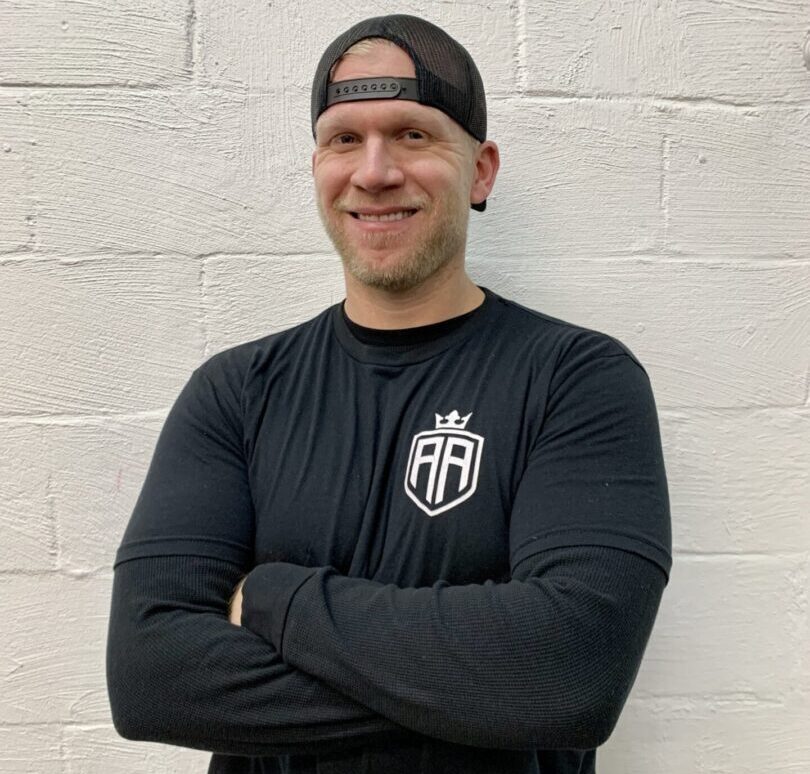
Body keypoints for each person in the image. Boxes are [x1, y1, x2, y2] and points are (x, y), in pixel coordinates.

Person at [106, 14, 672, 774]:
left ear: (481, 170)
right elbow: (151, 681)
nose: (373, 171)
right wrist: (471, 694)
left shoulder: (576, 379)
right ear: (318, 166)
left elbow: (570, 675)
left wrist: (273, 598)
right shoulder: (237, 393)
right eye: (345, 139)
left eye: (412, 134)